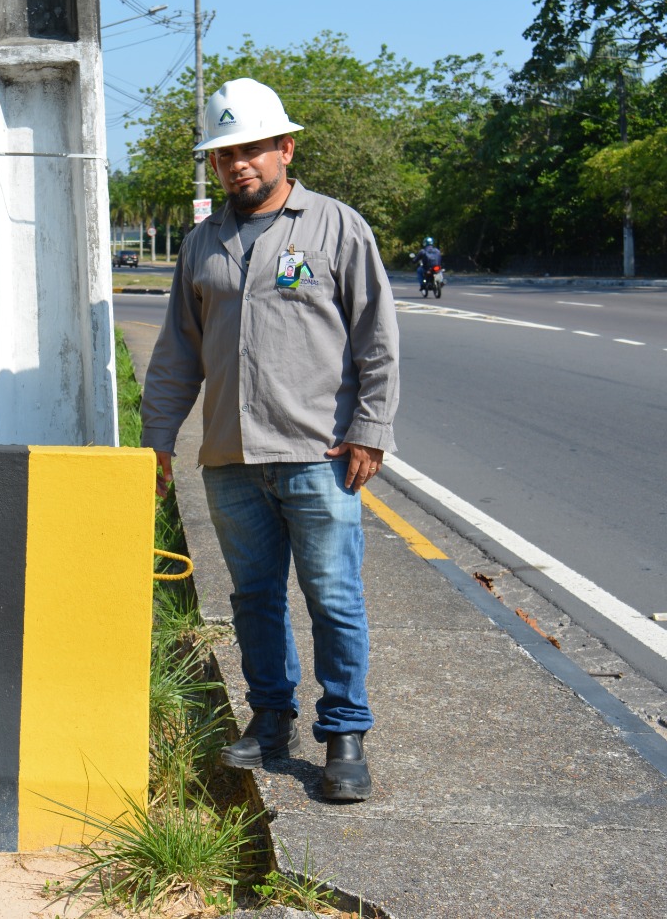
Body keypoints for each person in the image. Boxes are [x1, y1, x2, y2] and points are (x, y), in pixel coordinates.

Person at [141, 78, 399, 803]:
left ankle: (344, 733)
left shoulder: (336, 227)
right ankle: (271, 717)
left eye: (253, 148)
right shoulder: (202, 244)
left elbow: (376, 337)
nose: (239, 164)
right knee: (254, 597)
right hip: (229, 460)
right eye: (226, 154)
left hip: (318, 455)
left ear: (285, 148)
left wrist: (370, 430)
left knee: (334, 598)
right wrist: (155, 441)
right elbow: (177, 354)